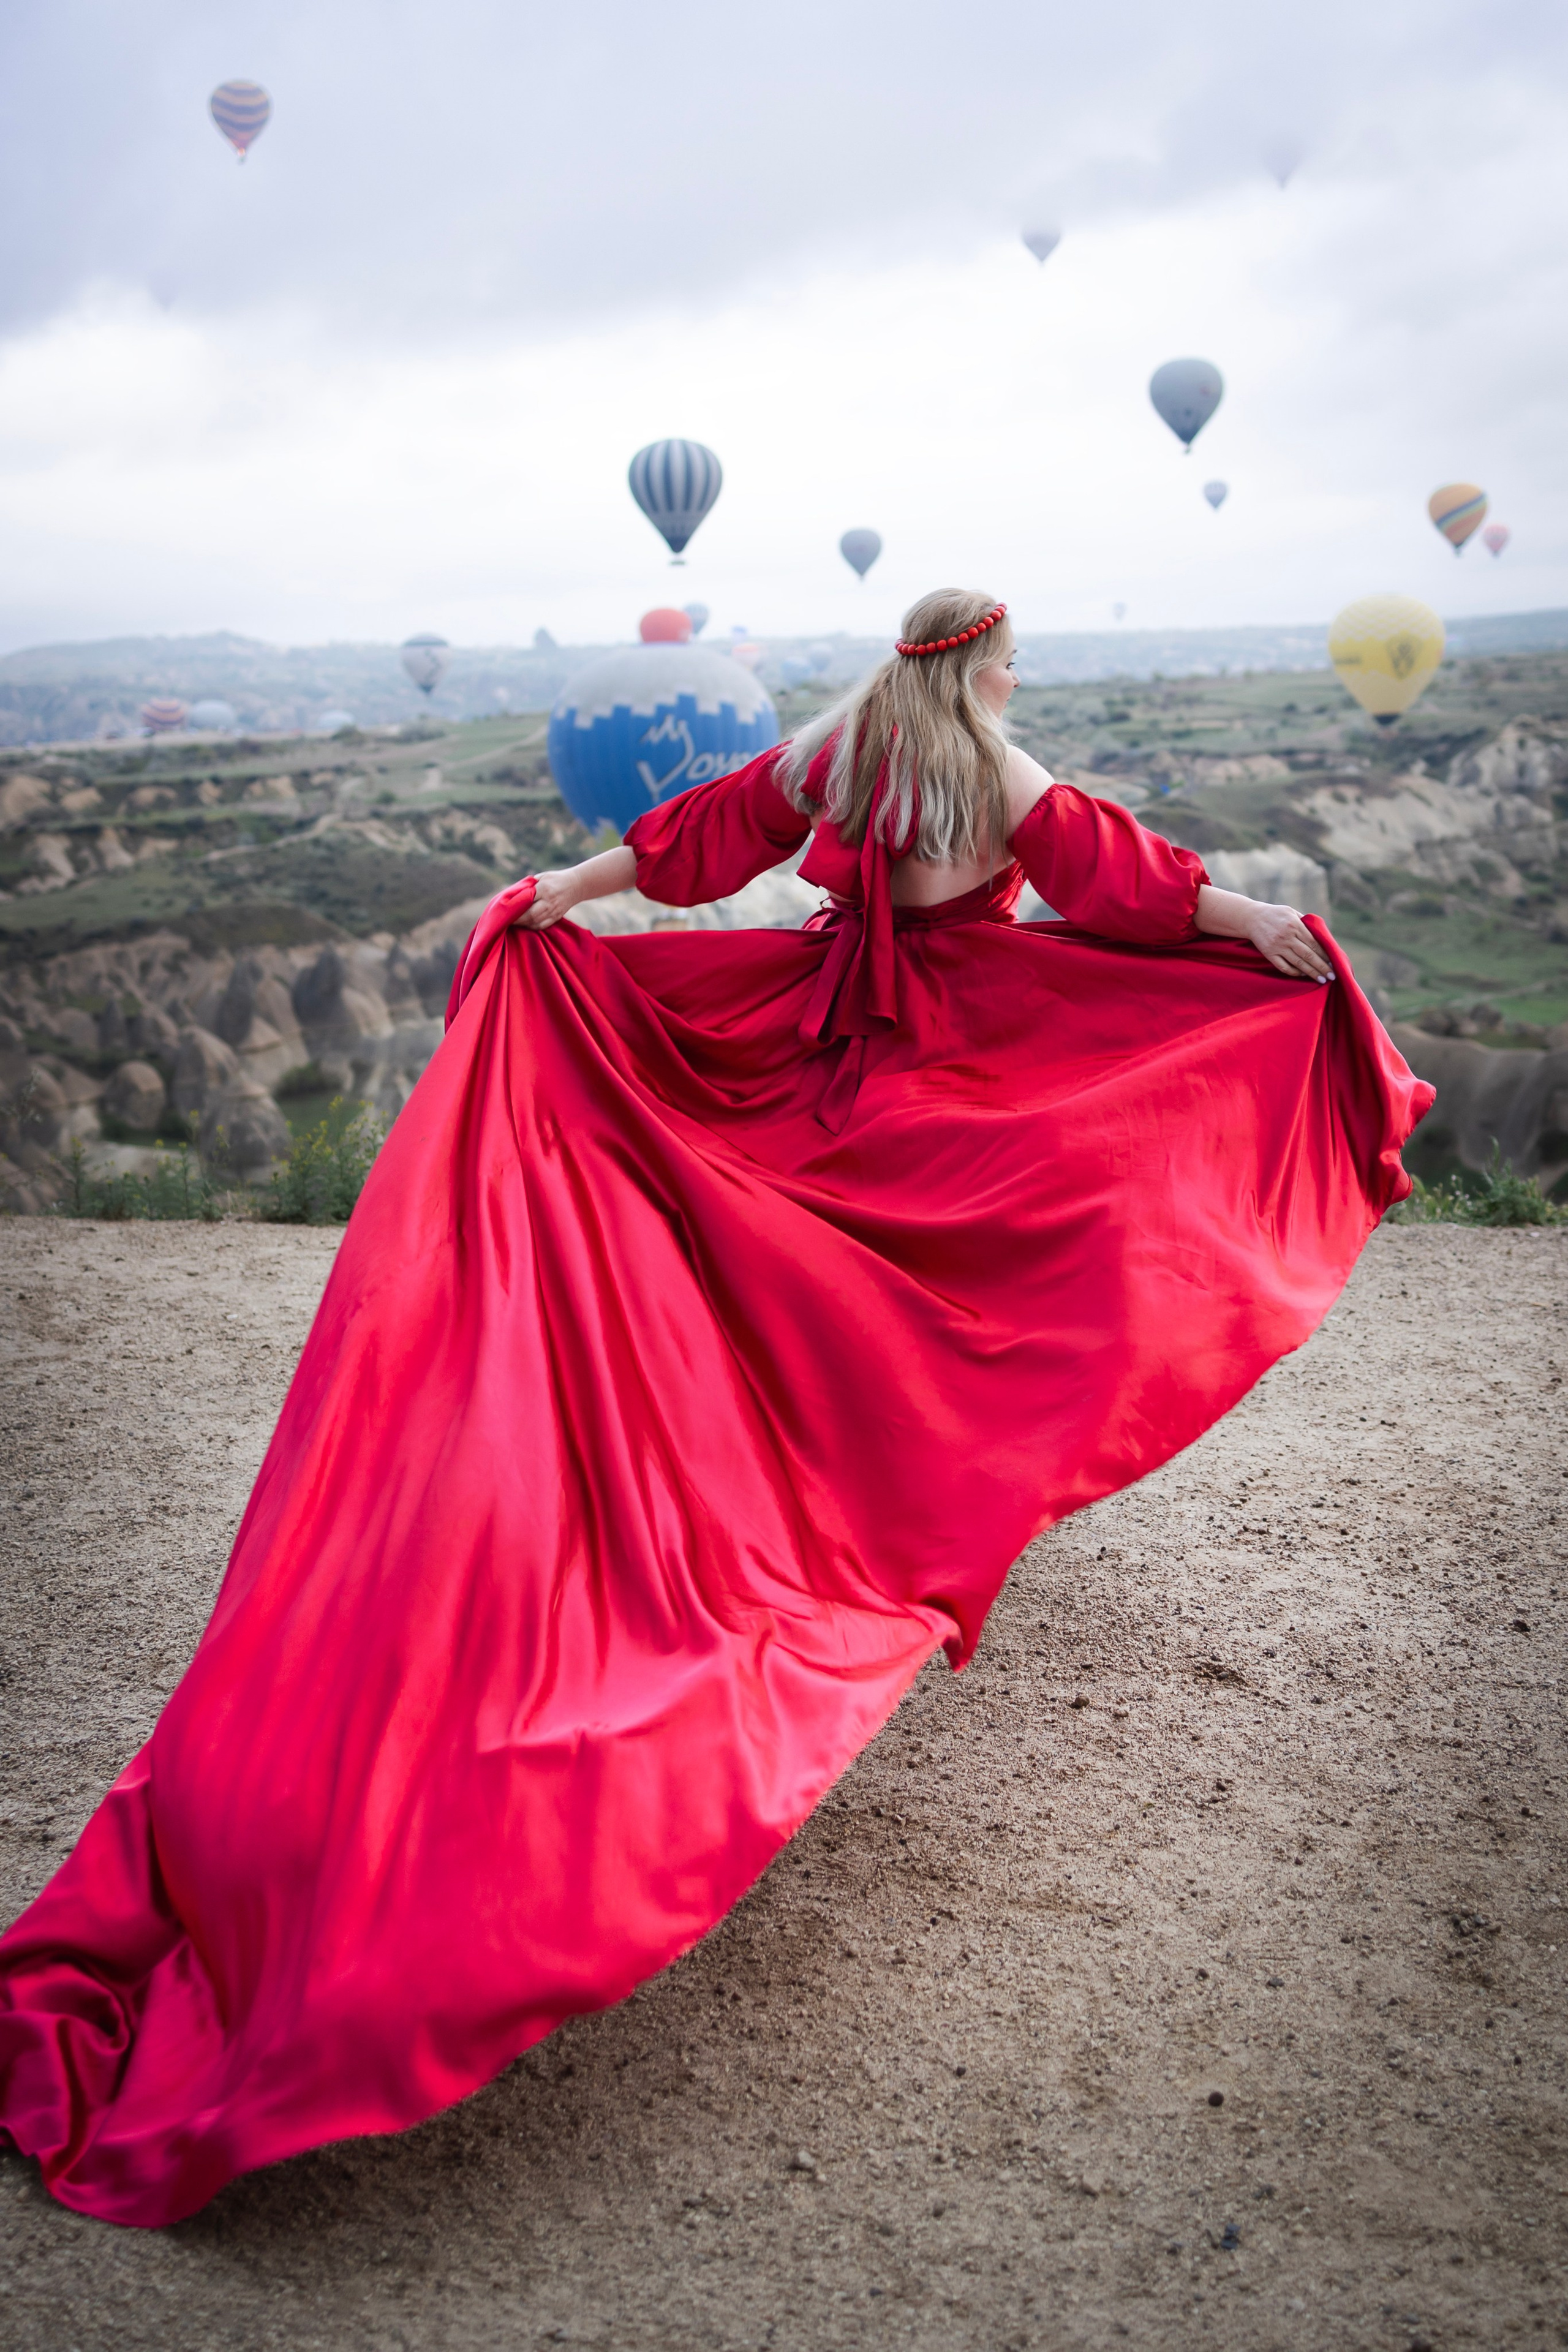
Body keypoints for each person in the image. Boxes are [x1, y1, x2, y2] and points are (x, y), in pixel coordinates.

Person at [0, 590, 1431, 2228]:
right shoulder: (998, 764)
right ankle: (877, 1501)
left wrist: (557, 895)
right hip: (949, 1065)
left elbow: (698, 847)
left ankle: (794, 1459)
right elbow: (1135, 892)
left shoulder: (844, 745)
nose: (1013, 681)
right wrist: (1263, 933)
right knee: (990, 1269)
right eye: (1008, 664)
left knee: (769, 1281)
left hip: (808, 1050)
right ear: (984, 671)